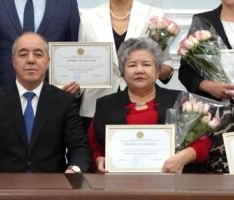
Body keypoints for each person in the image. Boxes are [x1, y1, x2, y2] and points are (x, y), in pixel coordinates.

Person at [0, 32, 91, 173]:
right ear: (13, 61)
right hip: (5, 181)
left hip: (51, 183)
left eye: (38, 54)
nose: (31, 60)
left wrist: (74, 169)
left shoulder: (63, 101)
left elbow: (79, 148)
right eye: (23, 54)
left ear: (48, 62)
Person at [79, 0, 172, 121]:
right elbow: (81, 65)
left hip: (142, 106)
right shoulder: (88, 18)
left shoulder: (154, 16)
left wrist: (147, 71)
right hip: (96, 107)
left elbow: (166, 65)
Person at [90, 38, 210, 174]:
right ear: (122, 73)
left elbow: (204, 143)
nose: (139, 70)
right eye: (132, 65)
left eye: (146, 64)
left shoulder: (179, 101)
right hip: (120, 180)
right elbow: (93, 147)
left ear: (158, 71)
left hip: (171, 181)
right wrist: (98, 159)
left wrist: (184, 156)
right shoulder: (105, 105)